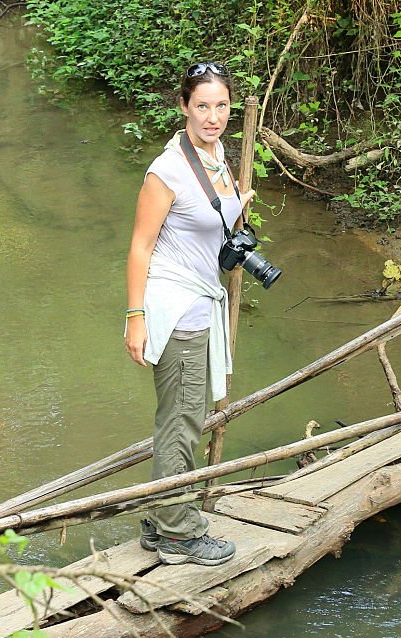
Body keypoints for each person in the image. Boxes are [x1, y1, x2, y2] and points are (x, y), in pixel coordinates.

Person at [124, 62, 253, 566]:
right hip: (176, 308)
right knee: (180, 421)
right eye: (203, 106)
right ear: (184, 107)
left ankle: (161, 521)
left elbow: (209, 219)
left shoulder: (216, 155)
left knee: (187, 417)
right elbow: (140, 246)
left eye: (222, 106)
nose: (213, 116)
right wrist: (136, 315)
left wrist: (236, 204)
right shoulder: (168, 169)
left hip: (203, 302)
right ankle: (180, 533)